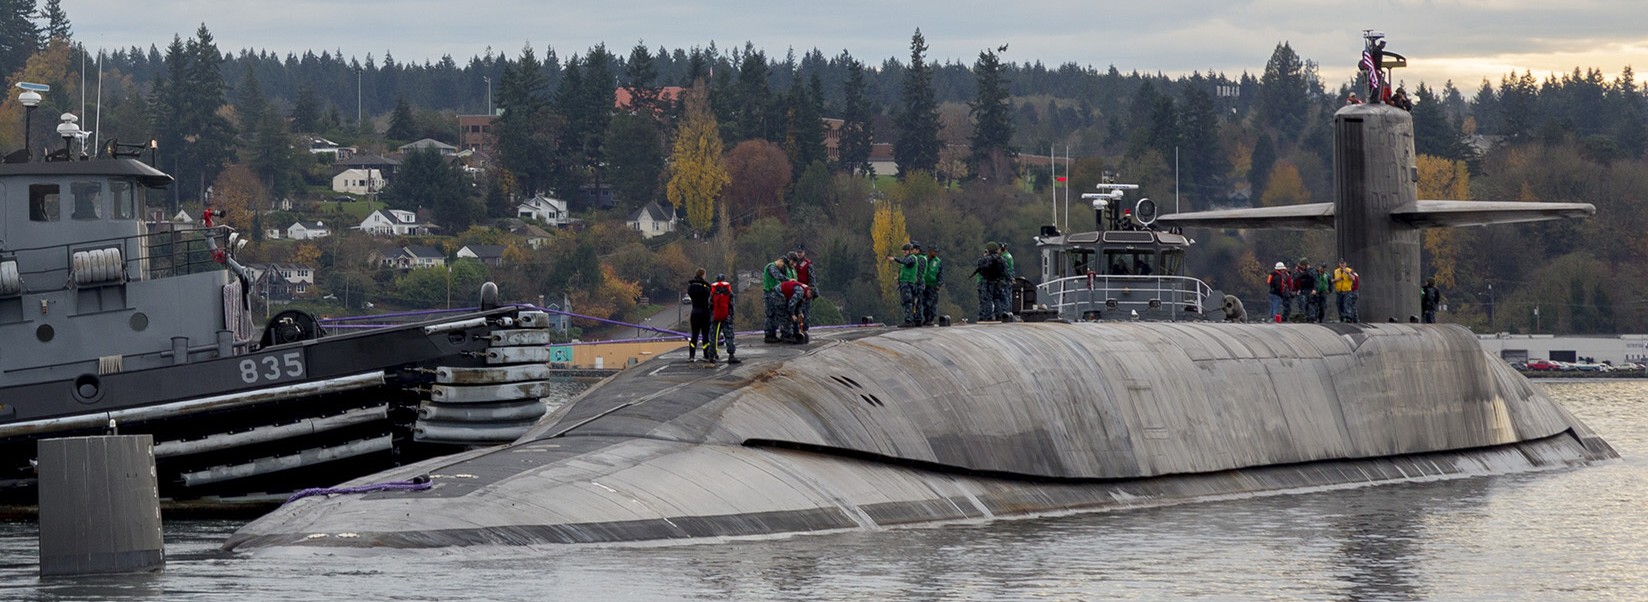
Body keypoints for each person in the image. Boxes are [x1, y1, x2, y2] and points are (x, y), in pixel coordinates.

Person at [888, 242, 923, 326]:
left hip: (908, 283)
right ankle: (910, 319)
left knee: (907, 302)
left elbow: (906, 262)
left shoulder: (911, 258)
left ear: (910, 251)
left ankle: (909, 320)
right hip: (905, 283)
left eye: (905, 251)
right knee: (907, 301)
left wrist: (895, 259)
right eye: (903, 251)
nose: (904, 253)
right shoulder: (908, 258)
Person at [707, 273, 740, 364]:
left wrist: (711, 315)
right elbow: (732, 305)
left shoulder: (713, 292)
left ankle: (711, 355)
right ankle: (731, 355)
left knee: (713, 336)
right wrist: (731, 316)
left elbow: (710, 305)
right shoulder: (728, 291)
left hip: (715, 317)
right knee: (729, 336)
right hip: (726, 317)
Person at [974, 242, 1010, 321]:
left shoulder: (985, 259)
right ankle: (999, 315)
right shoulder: (1002, 259)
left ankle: (988, 315)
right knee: (997, 298)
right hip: (998, 281)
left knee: (988, 298)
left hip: (987, 281)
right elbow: (1006, 271)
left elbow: (980, 267)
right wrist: (1009, 280)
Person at [762, 255, 791, 342]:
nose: (782, 267)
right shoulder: (771, 267)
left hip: (773, 293)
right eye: (783, 265)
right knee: (770, 315)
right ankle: (769, 334)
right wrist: (788, 280)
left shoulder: (773, 267)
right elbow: (777, 276)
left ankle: (772, 334)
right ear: (781, 261)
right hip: (769, 293)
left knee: (774, 315)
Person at [685, 268, 712, 361]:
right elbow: (709, 296)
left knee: (694, 335)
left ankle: (691, 355)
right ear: (703, 275)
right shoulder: (706, 286)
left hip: (695, 312)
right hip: (705, 312)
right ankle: (706, 355)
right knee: (705, 335)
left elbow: (689, 292)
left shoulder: (691, 286)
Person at [921, 245, 943, 326]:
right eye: (934, 251)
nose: (935, 253)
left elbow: (940, 274)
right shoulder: (924, 259)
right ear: (930, 251)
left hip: (933, 285)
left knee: (932, 303)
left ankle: (931, 319)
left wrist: (939, 284)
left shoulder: (938, 261)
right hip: (924, 284)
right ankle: (926, 318)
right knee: (924, 303)